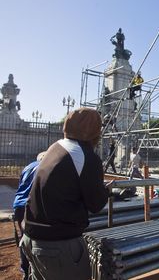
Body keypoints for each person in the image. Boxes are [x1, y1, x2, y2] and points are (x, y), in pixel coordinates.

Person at [21, 108, 110, 280]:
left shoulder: (56, 147)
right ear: (95, 132)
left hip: (30, 238)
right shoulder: (86, 156)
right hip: (58, 245)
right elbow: (96, 204)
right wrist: (106, 190)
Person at [13, 151, 45, 280]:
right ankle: (37, 270)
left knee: (24, 239)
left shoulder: (28, 167)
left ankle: (25, 271)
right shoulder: (46, 166)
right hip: (32, 206)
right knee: (39, 239)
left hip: (19, 205)